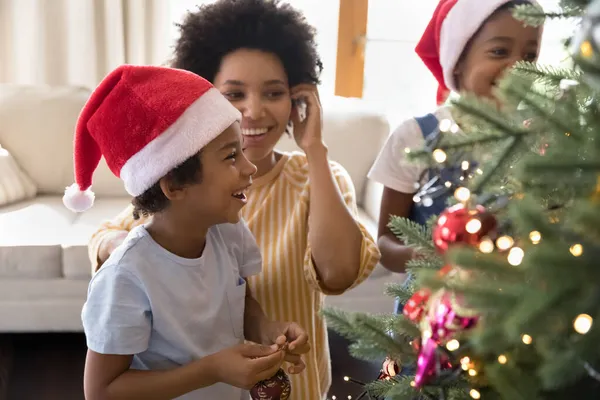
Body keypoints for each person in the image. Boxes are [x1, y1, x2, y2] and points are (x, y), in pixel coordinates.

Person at [86, 1, 381, 398]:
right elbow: (119, 236)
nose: (253, 111)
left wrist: (315, 148)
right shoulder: (178, 207)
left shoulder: (284, 197)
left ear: (296, 100)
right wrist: (142, 265)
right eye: (234, 94)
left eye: (274, 92)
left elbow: (337, 274)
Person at [65, 64, 309, 399]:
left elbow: (243, 301)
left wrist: (268, 329)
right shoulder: (126, 277)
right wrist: (211, 370)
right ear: (175, 185)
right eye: (230, 157)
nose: (249, 167)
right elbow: (102, 390)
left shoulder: (230, 232)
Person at [368, 0, 543, 305]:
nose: (517, 67)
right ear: (458, 60)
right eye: (500, 51)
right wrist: (425, 256)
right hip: (432, 315)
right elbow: (385, 243)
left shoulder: (540, 140)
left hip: (517, 315)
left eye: (529, 55)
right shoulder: (416, 137)